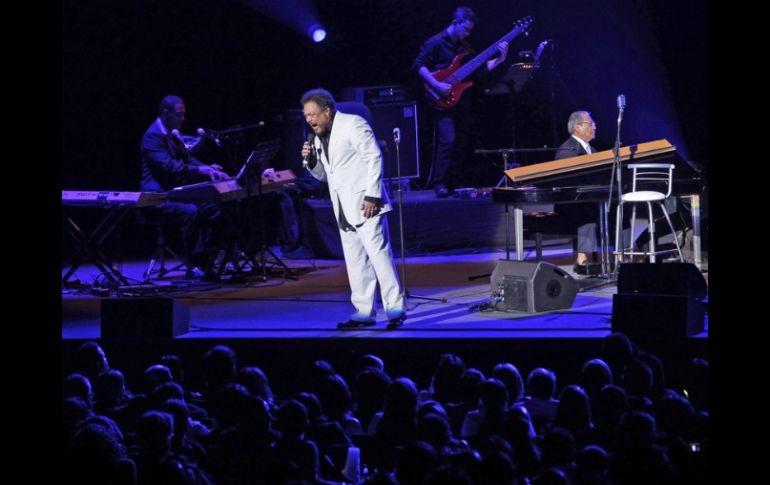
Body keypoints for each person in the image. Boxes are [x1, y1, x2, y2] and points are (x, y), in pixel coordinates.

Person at [300, 88, 406, 329]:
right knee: (356, 260)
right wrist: (310, 162)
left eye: (312, 114)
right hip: (343, 207)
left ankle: (394, 307)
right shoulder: (317, 138)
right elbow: (325, 176)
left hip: (366, 202)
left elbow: (374, 157)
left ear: (326, 110)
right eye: (306, 116)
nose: (309, 120)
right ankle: (364, 310)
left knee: (379, 256)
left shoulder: (353, 124)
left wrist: (372, 195)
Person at [413, 6, 508, 197]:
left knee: (461, 141)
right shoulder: (436, 42)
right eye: (464, 29)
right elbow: (419, 65)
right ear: (455, 23)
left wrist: (500, 59)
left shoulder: (464, 47)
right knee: (448, 140)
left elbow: (479, 71)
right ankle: (438, 183)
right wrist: (436, 84)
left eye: (469, 31)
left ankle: (453, 182)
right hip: (440, 98)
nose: (467, 33)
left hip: (460, 99)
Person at [140, 94, 229, 278]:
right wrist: (201, 171)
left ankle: (211, 257)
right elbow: (169, 166)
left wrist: (207, 167)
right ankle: (195, 263)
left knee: (217, 206)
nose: (183, 119)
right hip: (157, 197)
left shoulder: (172, 133)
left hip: (174, 193)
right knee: (192, 211)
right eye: (179, 115)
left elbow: (187, 158)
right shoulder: (152, 137)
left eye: (183, 114)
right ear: (166, 113)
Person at [554, 110, 601, 274]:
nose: (595, 126)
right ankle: (582, 259)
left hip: (590, 198)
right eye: (591, 124)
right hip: (570, 203)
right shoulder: (567, 150)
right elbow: (567, 182)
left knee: (620, 208)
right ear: (577, 128)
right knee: (587, 210)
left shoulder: (592, 149)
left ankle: (624, 256)